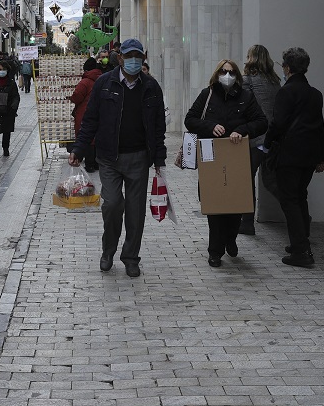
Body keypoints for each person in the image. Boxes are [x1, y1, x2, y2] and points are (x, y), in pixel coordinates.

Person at [69, 39, 165, 278]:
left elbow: (158, 127)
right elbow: (90, 119)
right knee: (111, 205)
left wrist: (159, 159)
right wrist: (79, 149)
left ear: (143, 58)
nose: (133, 61)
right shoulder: (104, 83)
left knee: (135, 211)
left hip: (139, 158)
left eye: (138, 56)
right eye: (129, 56)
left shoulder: (151, 87)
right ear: (120, 58)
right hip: (109, 158)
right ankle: (108, 250)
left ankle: (131, 257)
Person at [184, 59, 267, 268]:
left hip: (235, 155)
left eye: (231, 72)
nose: (227, 75)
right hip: (211, 154)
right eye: (223, 71)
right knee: (214, 203)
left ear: (237, 75)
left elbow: (261, 122)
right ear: (217, 74)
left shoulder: (246, 97)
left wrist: (242, 130)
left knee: (234, 203)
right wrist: (210, 126)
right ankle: (215, 251)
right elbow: (190, 119)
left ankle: (231, 238)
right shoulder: (207, 94)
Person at [264, 47, 324, 267]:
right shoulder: (315, 94)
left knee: (289, 200)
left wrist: (266, 143)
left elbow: (278, 124)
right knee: (300, 197)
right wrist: (322, 157)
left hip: (289, 154)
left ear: (287, 68)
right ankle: (301, 241)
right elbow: (320, 127)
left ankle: (301, 251)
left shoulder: (286, 92)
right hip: (309, 156)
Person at [239, 44, 282, 235]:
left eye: (248, 56)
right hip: (273, 139)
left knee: (246, 180)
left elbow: (241, 106)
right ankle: (298, 212)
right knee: (271, 180)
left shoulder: (247, 80)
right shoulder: (275, 81)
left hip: (256, 139)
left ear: (252, 58)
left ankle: (247, 223)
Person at [70, 57, 103, 173]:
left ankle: (89, 164)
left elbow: (76, 96)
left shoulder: (85, 82)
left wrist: (71, 98)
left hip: (85, 112)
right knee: (97, 137)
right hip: (100, 113)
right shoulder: (102, 79)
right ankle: (97, 162)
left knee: (87, 138)